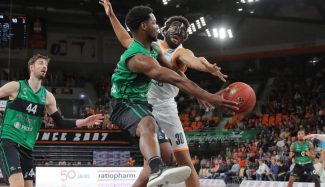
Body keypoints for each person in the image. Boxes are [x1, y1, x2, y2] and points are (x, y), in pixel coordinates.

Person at [105, 4, 239, 187]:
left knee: (168, 154)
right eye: (154, 23)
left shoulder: (157, 48)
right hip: (125, 103)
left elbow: (180, 69)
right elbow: (174, 79)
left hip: (153, 105)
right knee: (149, 129)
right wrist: (209, 96)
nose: (157, 26)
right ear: (145, 26)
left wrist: (200, 83)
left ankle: (157, 168)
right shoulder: (140, 57)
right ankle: (158, 169)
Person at [0, 54, 104, 187]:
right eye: (41, 63)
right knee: (17, 184)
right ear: (31, 67)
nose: (44, 66)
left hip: (27, 147)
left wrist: (83, 122)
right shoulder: (16, 87)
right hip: (10, 141)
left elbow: (60, 122)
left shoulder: (47, 97)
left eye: (46, 65)